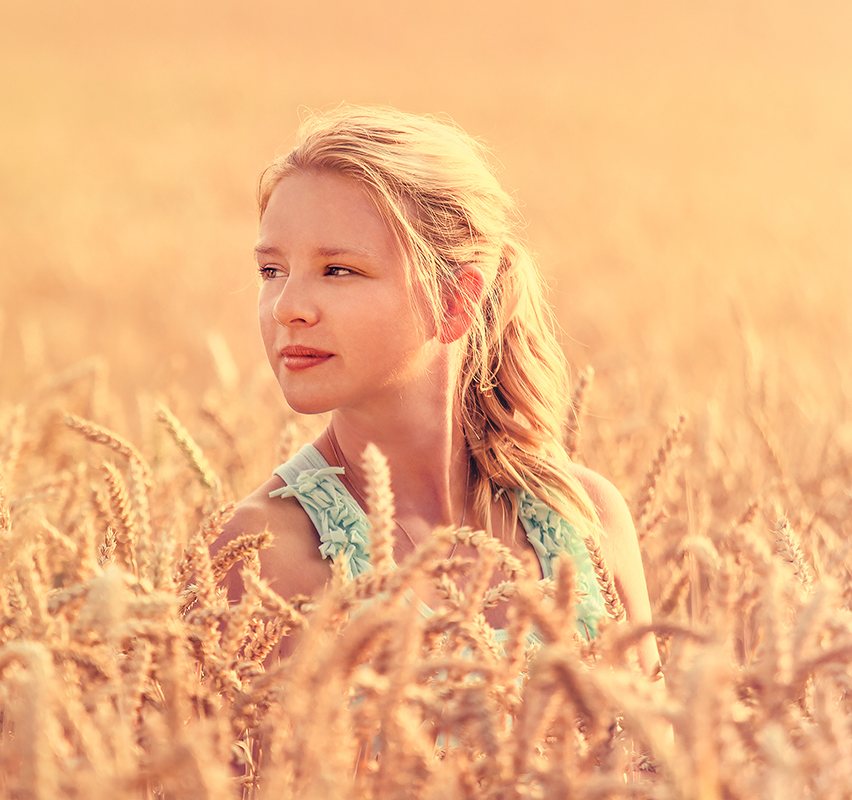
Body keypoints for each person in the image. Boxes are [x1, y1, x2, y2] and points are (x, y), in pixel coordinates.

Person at [213, 105, 658, 676]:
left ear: (456, 301)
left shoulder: (588, 519)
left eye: (338, 270)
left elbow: (656, 759)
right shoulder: (261, 552)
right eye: (271, 271)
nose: (288, 308)